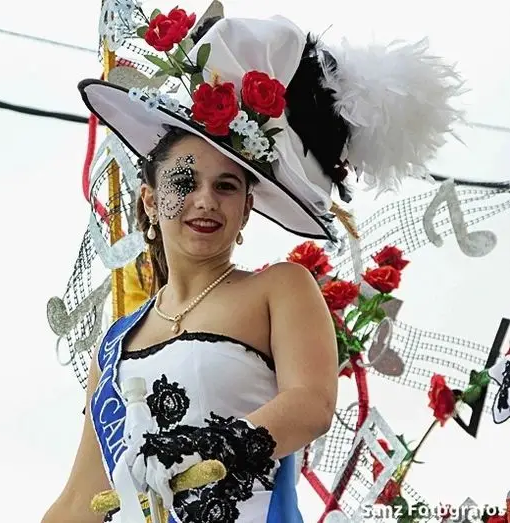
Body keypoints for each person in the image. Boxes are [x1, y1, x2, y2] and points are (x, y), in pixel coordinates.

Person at [43, 6, 462, 523]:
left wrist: (207, 449)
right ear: (150, 200)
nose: (205, 200)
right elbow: (80, 498)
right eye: (184, 183)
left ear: (245, 209)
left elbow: (310, 404)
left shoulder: (279, 289)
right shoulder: (114, 345)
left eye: (225, 186)